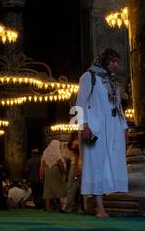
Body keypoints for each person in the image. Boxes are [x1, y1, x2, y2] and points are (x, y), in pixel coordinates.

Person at [76, 48, 129, 219]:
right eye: (113, 61)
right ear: (104, 60)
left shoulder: (113, 80)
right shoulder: (88, 77)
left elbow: (118, 106)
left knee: (110, 165)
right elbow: (80, 102)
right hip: (94, 128)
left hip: (113, 128)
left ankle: (100, 203)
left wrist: (124, 127)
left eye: (117, 61)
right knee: (96, 165)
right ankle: (99, 207)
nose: (115, 64)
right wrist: (83, 125)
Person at [40, 136, 68, 213]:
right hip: (55, 170)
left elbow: (42, 164)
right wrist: (64, 172)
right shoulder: (56, 151)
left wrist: (41, 175)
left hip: (47, 171)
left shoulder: (45, 152)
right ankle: (61, 207)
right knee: (59, 187)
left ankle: (48, 208)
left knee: (48, 189)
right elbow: (59, 162)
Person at [62, 135, 83, 213]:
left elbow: (76, 156)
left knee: (71, 188)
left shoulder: (75, 143)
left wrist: (75, 170)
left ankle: (68, 207)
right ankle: (85, 208)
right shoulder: (84, 142)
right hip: (84, 167)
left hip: (75, 166)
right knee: (84, 189)